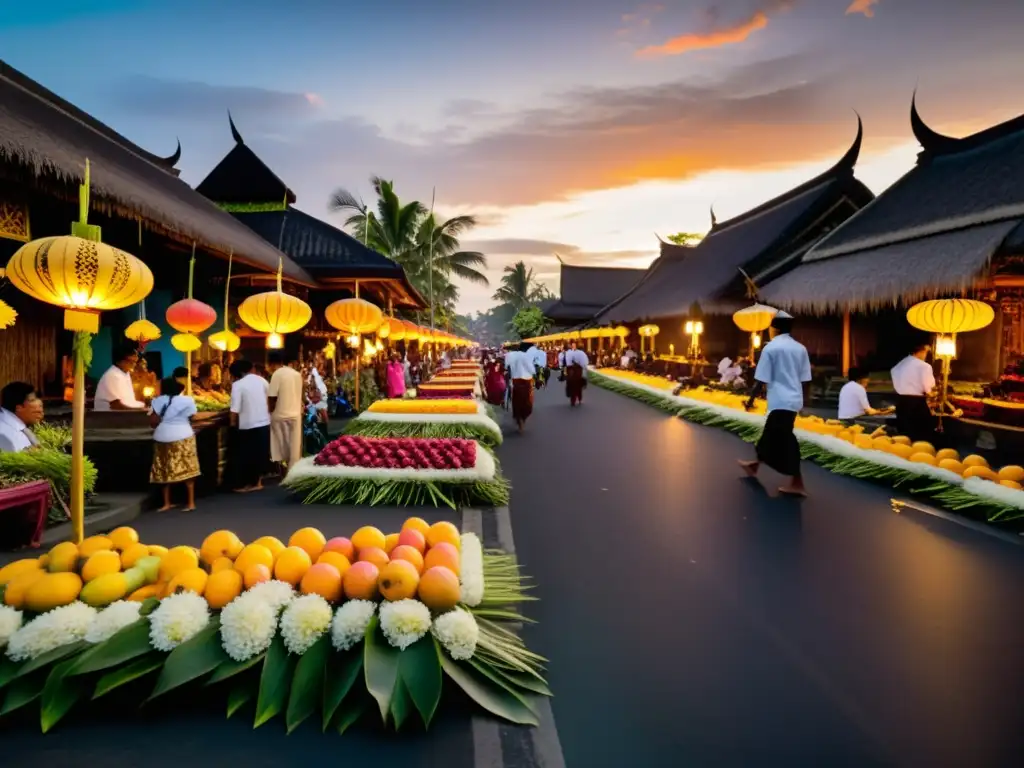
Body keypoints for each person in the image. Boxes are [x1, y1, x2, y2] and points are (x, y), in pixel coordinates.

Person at [738, 312, 812, 497]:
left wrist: (750, 400)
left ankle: (797, 482)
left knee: (785, 439)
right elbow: (806, 379)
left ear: (775, 329)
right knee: (770, 435)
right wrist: (804, 402)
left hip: (779, 400)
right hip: (793, 399)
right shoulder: (800, 348)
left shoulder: (771, 349)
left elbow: (760, 380)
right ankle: (754, 465)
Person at [148, 376, 200, 511]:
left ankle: (166, 503)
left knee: (164, 468)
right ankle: (190, 503)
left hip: (162, 437)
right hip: (183, 435)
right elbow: (193, 417)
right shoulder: (187, 400)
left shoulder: (156, 401)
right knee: (188, 468)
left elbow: (153, 422)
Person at [229, 359, 271, 492]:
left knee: (247, 455)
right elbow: (270, 398)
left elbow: (234, 409)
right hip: (264, 421)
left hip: (247, 424)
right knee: (260, 453)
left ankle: (248, 484)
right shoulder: (262, 380)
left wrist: (232, 425)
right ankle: (258, 482)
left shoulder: (238, 385)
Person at [890, 341, 937, 442]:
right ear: (920, 351)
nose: (926, 355)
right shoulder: (924, 366)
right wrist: (932, 393)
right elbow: (928, 389)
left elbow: (893, 372)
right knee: (921, 434)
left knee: (904, 434)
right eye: (926, 352)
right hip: (916, 404)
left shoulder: (901, 364)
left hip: (901, 402)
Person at [268, 352, 304, 472]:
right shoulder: (297, 374)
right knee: (294, 446)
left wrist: (269, 410)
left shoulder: (276, 375)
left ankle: (282, 467)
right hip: (295, 414)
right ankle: (293, 470)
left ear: (272, 364)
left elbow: (272, 397)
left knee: (280, 445)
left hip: (280, 414)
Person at [94, 345, 145, 411]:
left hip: (121, 416)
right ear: (119, 361)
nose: (134, 365)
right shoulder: (112, 375)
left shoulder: (125, 373)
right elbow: (116, 405)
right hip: (107, 418)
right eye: (131, 361)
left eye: (135, 362)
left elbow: (129, 401)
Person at [0, 382, 44, 452]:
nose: (40, 405)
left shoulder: (8, 420)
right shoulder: (13, 437)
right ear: (19, 408)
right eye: (32, 400)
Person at [505, 342, 537, 432]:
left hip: (515, 381)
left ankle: (519, 419)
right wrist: (535, 373)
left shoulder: (509, 355)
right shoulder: (525, 356)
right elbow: (531, 369)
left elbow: (506, 366)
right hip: (526, 381)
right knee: (527, 402)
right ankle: (522, 419)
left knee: (517, 401)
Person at [564, 341, 589, 407]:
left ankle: (578, 399)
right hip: (573, 370)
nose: (573, 346)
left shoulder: (580, 353)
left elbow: (585, 363)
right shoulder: (569, 353)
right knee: (574, 385)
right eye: (572, 345)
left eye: (574, 345)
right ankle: (574, 400)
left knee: (577, 385)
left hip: (577, 370)